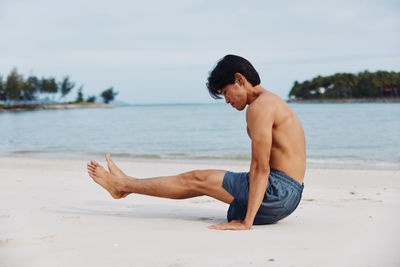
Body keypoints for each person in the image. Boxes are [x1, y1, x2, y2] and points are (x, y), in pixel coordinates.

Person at [87, 55, 306, 230]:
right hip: (287, 193)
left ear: (240, 80)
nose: (227, 100)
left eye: (226, 92)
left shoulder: (260, 107)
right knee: (198, 178)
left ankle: (122, 186)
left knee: (196, 178)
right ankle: (126, 184)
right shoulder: (270, 101)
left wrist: (246, 223)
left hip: (278, 193)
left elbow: (261, 167)